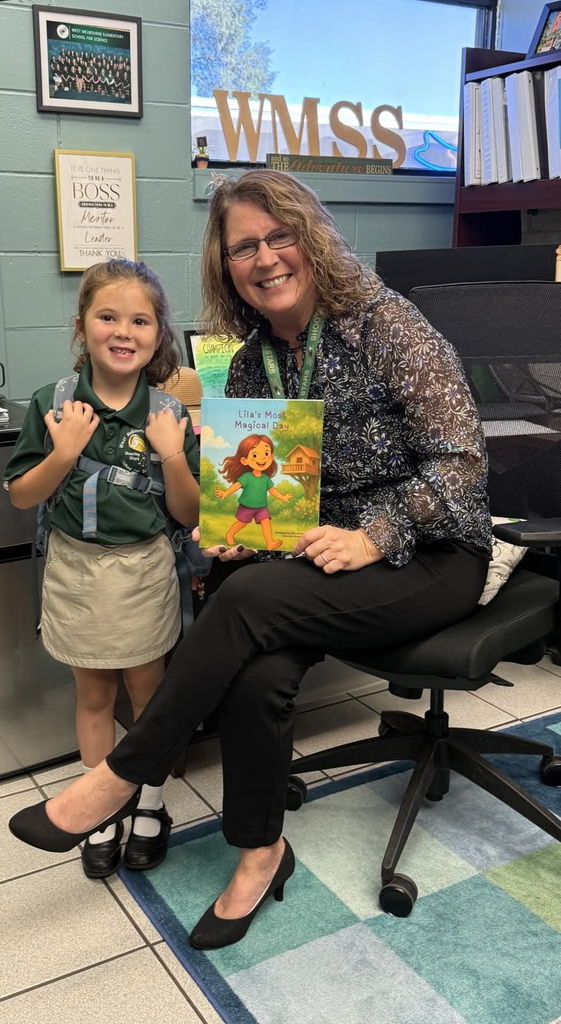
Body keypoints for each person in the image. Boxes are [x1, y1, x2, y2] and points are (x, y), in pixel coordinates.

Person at [9, 170, 492, 948]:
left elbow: (462, 462)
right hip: (316, 560)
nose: (264, 258)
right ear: (224, 264)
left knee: (242, 603)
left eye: (279, 235)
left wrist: (374, 533)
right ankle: (259, 851)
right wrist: (240, 531)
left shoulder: (386, 326)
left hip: (426, 553)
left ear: (313, 238)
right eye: (243, 247)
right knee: (256, 660)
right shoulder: (246, 364)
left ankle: (120, 775)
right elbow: (265, 492)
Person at [5, 258, 200, 879]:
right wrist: (63, 453)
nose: (123, 331)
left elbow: (190, 510)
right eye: (107, 316)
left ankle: (150, 802)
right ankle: (101, 805)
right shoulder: (52, 404)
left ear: (158, 332)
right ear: (82, 324)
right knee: (94, 694)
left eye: (139, 319)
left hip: (144, 570)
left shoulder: (170, 413)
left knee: (150, 694)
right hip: (76, 572)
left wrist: (173, 456)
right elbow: (22, 497)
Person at [214, 432, 292, 549]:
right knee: (242, 523)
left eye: (266, 453)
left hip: (261, 507)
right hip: (247, 506)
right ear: (245, 461)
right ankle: (230, 534)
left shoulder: (265, 478)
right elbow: (236, 486)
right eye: (255, 455)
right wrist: (226, 493)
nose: (262, 458)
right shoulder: (247, 477)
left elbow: (272, 490)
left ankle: (270, 543)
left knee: (266, 522)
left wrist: (282, 497)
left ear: (272, 456)